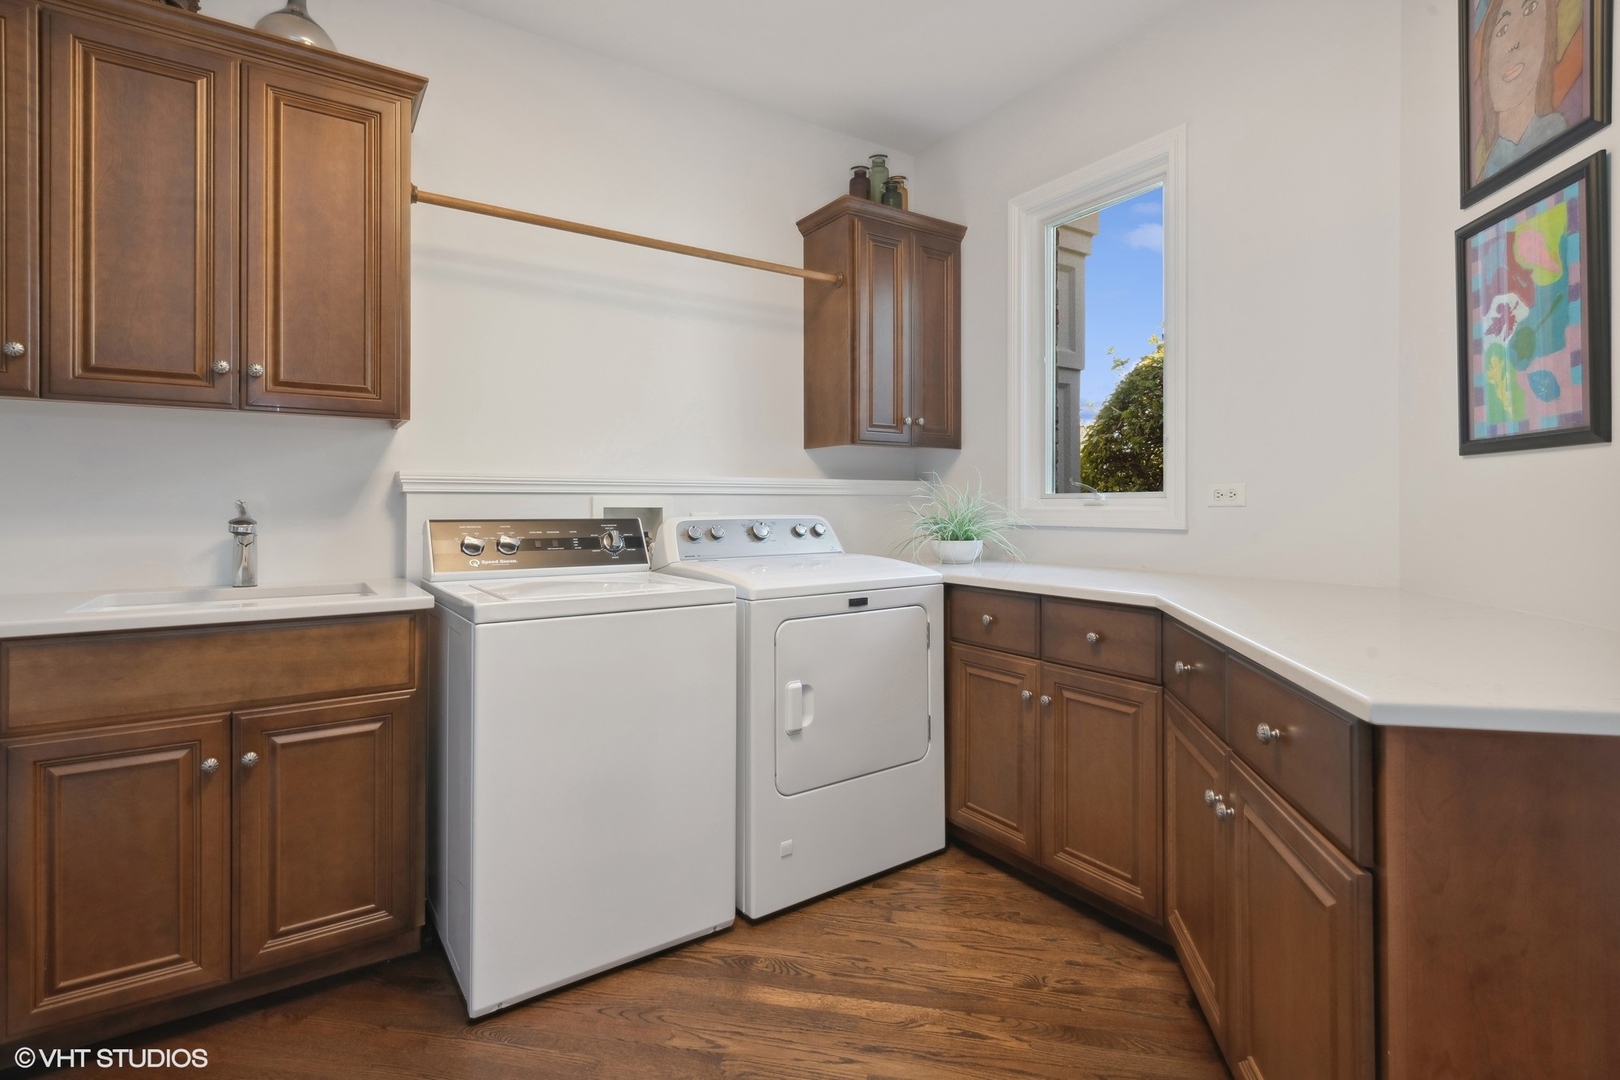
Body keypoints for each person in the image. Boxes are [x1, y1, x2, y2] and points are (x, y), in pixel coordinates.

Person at [1475, 0, 1568, 180]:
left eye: (1530, 10)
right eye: (1502, 30)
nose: (1514, 44)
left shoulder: (1556, 133)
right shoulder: (1489, 169)